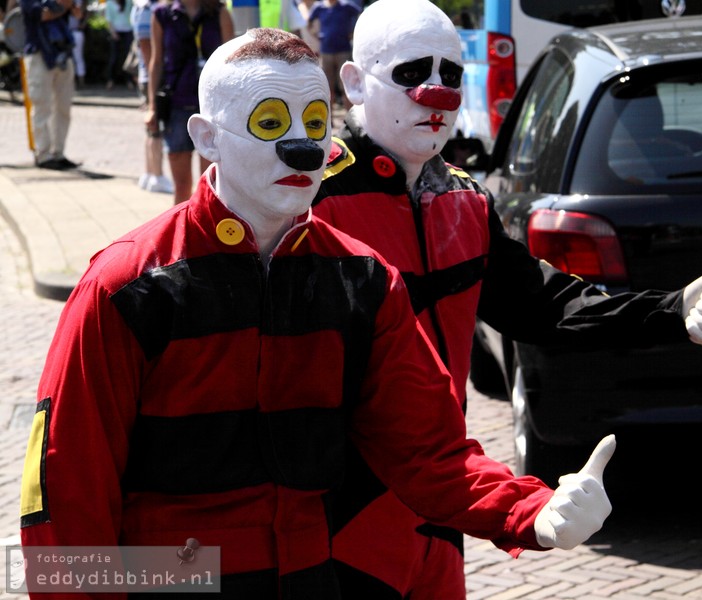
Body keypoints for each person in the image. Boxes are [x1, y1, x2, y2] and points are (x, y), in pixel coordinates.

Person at [19, 27, 619, 599]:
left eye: (315, 121)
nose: (305, 145)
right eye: (270, 122)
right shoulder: (127, 287)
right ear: (206, 137)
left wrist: (531, 510)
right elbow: (66, 498)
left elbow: (427, 449)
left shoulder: (362, 280)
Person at [311, 0, 702, 597]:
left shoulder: (464, 201)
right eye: (412, 73)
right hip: (338, 506)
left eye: (452, 75)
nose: (435, 94)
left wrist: (672, 310)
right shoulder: (311, 204)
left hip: (444, 499)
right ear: (357, 83)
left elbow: (541, 303)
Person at [146, 0, 234, 204]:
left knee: (212, 184)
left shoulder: (218, 12)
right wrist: (151, 107)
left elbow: (231, 62)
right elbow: (156, 61)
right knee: (182, 186)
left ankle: (210, 232)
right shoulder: (162, 15)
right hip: (176, 103)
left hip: (212, 107)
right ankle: (182, 232)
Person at [19, 0, 80, 169]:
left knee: (63, 106)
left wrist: (63, 7)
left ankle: (58, 152)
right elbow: (42, 15)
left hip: (62, 53)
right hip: (39, 54)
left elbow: (76, 13)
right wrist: (64, 6)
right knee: (42, 106)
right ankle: (43, 155)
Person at [130, 0, 173, 193]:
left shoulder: (141, 7)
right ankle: (156, 174)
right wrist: (155, 81)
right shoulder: (148, 9)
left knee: (151, 128)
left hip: (146, 76)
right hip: (150, 77)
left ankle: (150, 174)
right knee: (156, 126)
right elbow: (148, 49)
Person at [306, 0, 359, 109]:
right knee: (327, 87)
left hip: (343, 51)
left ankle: (350, 118)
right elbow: (309, 22)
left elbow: (361, 14)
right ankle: (329, 120)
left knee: (346, 86)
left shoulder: (346, 6)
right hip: (326, 53)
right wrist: (316, 34)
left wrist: (354, 32)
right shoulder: (319, 7)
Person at [104, 0, 134, 89]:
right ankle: (111, 80)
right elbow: (109, 20)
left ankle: (129, 80)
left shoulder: (128, 2)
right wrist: (113, 33)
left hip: (128, 30)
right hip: (115, 31)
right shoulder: (109, 3)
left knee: (128, 57)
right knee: (114, 57)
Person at [67, 0, 84, 88]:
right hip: (64, 33)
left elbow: (79, 14)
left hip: (75, 32)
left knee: (77, 58)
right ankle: (72, 82)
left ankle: (80, 82)